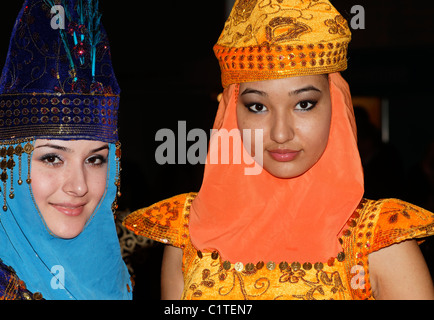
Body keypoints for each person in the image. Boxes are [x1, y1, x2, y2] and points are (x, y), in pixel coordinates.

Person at [123, 0, 434, 300]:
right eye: (257, 106)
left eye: (304, 104)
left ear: (336, 105)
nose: (281, 132)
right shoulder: (189, 237)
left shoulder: (378, 244)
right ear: (232, 112)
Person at [0, 0, 132, 299]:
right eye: (52, 158)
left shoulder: (112, 271)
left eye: (95, 159)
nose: (79, 186)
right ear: (7, 163)